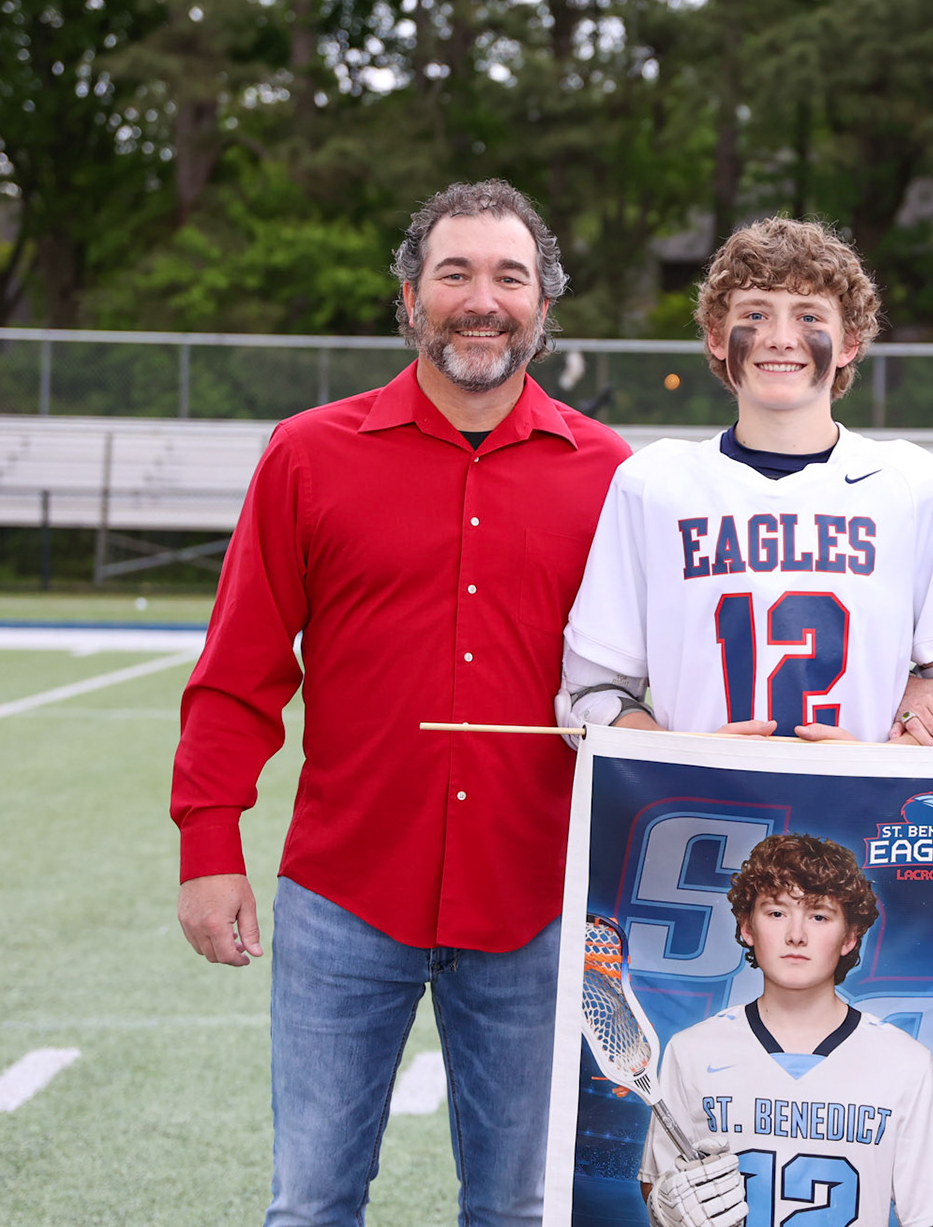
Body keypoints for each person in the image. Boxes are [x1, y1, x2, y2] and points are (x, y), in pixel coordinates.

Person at [171, 179, 630, 1227]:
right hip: (345, 896)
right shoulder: (308, 452)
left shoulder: (612, 474)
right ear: (411, 296)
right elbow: (238, 667)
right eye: (455, 273)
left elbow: (662, 672)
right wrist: (208, 843)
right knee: (315, 1201)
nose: (483, 298)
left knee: (516, 1207)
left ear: (544, 306)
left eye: (509, 276)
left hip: (534, 905)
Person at [559, 217, 933, 746]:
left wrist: (884, 759)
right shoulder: (653, 485)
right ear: (717, 336)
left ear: (849, 342)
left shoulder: (915, 485)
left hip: (857, 816)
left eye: (809, 316)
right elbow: (589, 693)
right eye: (755, 314)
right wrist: (686, 755)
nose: (781, 339)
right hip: (703, 808)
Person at [639, 832, 933, 1227]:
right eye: (776, 913)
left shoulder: (906, 1064)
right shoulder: (691, 1051)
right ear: (747, 927)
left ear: (849, 937)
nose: (796, 935)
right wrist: (665, 1211)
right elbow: (659, 1187)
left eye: (819, 915)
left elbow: (928, 1218)